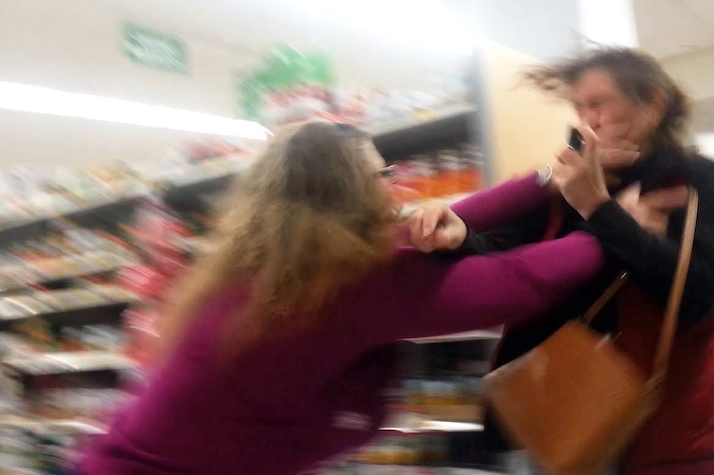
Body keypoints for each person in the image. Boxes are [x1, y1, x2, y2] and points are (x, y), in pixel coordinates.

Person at [75, 122, 605, 475]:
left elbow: (440, 221)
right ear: (348, 192)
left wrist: (544, 181)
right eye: (383, 175)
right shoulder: (347, 286)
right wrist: (613, 226)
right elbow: (517, 282)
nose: (395, 188)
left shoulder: (278, 263)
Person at [410, 47, 714, 475]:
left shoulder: (703, 182)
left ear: (654, 105)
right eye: (579, 107)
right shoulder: (570, 183)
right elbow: (507, 251)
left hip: (667, 428)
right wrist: (460, 239)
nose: (587, 120)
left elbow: (698, 294)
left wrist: (600, 210)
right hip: (563, 416)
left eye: (599, 104)